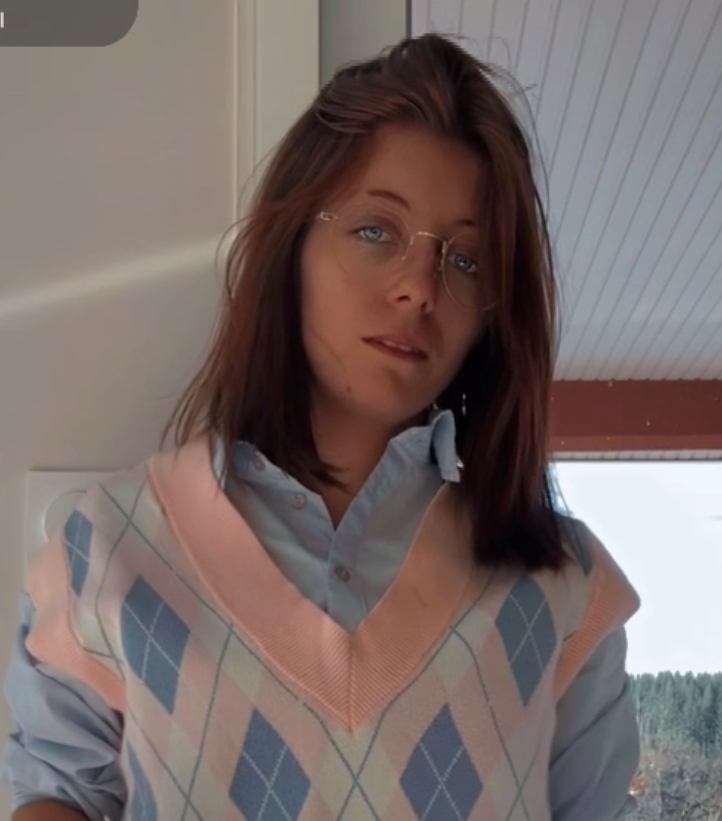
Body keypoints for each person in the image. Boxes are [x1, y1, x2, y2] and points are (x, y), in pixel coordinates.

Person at [1, 33, 641, 821]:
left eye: (465, 260)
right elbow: (56, 792)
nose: (419, 286)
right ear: (292, 243)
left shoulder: (564, 591)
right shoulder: (107, 550)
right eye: (376, 230)